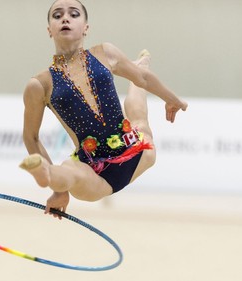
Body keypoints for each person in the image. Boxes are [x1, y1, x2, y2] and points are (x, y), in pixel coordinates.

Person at [19, 0, 188, 219]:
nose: (65, 18)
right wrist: (59, 191)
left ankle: (140, 64)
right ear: (49, 29)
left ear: (86, 27)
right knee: (71, 173)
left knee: (139, 117)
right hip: (94, 173)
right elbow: (30, 137)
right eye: (57, 15)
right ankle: (46, 173)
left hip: (136, 151)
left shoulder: (105, 53)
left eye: (74, 14)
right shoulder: (40, 84)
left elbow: (144, 80)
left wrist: (171, 99)